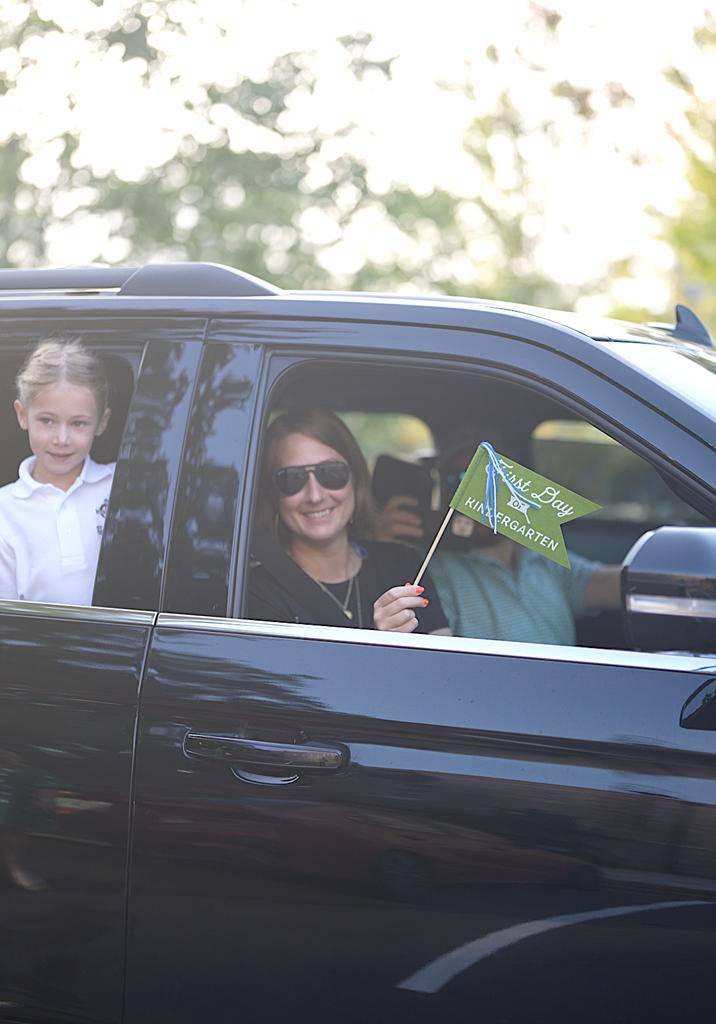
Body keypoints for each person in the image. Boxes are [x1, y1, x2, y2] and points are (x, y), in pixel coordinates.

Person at [374, 432, 620, 646]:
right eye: (456, 479)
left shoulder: (541, 555)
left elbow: (611, 585)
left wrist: (652, 576)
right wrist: (377, 540)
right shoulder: (435, 570)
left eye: (488, 476)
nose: (473, 489)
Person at [248, 408, 450, 634]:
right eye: (292, 479)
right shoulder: (256, 591)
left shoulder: (405, 565)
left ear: (356, 478)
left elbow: (445, 663)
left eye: (331, 473)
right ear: (273, 494)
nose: (315, 496)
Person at [0, 338, 114, 606]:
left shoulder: (120, 485)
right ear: (22, 414)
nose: (62, 439)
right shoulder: (5, 511)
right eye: (47, 420)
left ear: (102, 422)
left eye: (78, 423)